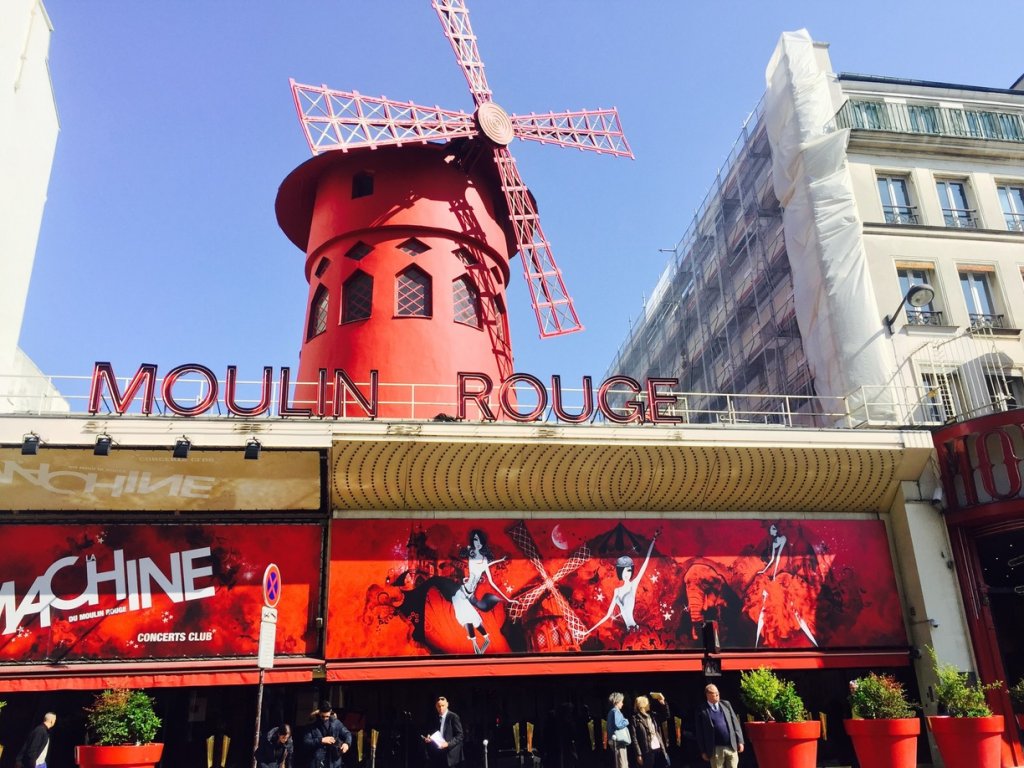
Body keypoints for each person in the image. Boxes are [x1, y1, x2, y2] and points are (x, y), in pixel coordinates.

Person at [583, 531, 660, 638]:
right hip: (628, 633)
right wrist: (587, 632)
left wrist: (653, 540)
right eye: (623, 571)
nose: (626, 574)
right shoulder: (617, 591)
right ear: (620, 572)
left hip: (636, 629)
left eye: (628, 570)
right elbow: (607, 616)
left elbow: (646, 563)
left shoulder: (633, 585)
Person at [451, 529, 516, 654]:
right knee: (469, 619)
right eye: (475, 539)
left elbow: (491, 581)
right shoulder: (472, 555)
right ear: (473, 541)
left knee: (472, 619)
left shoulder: (485, 560)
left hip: (468, 595)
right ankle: (478, 648)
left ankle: (484, 642)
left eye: (480, 540)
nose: (478, 542)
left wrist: (508, 599)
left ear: (483, 541)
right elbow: (469, 565)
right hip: (462, 594)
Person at [695, 684, 744, 768]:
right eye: (714, 693)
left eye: (717, 692)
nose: (717, 695)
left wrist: (740, 741)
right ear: (708, 694)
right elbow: (700, 732)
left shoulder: (726, 704)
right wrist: (703, 751)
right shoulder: (701, 710)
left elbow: (735, 723)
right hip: (715, 749)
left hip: (731, 746)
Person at [303, 701, 352, 768]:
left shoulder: (336, 723)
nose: (325, 719)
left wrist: (347, 744)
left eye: (327, 716)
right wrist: (321, 740)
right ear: (319, 712)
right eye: (323, 716)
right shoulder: (312, 724)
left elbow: (347, 734)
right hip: (317, 762)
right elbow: (306, 742)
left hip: (334, 761)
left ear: (330, 712)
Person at [423, 695, 464, 767]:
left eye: (443, 705)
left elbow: (460, 735)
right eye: (439, 706)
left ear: (447, 704)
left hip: (451, 755)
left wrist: (447, 744)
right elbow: (433, 731)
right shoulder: (434, 718)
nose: (441, 708)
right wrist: (429, 737)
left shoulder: (453, 717)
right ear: (436, 706)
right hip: (438, 754)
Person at [631, 695, 670, 768]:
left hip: (658, 747)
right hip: (647, 751)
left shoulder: (652, 715)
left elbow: (666, 716)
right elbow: (634, 738)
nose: (649, 704)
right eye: (647, 703)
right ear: (643, 705)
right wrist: (638, 754)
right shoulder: (635, 719)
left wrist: (663, 703)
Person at [606, 692, 630, 768]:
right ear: (617, 701)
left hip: (614, 740)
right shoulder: (615, 711)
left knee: (618, 761)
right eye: (621, 701)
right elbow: (618, 724)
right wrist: (626, 721)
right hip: (619, 741)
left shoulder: (611, 712)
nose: (622, 703)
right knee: (622, 763)